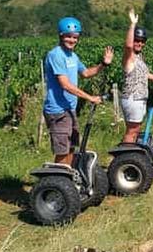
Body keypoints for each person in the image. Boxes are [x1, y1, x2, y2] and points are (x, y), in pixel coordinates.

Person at [43, 17, 113, 167]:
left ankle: (66, 179)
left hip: (69, 109)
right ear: (61, 36)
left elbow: (86, 73)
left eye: (75, 37)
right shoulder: (56, 55)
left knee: (71, 148)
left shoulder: (72, 56)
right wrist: (90, 98)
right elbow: (65, 85)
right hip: (58, 110)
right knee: (62, 151)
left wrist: (103, 64)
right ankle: (58, 183)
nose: (72, 40)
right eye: (68, 36)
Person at [121, 9, 153, 144]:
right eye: (137, 40)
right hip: (132, 98)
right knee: (132, 131)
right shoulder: (128, 57)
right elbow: (128, 46)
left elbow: (144, 74)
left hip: (140, 99)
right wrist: (132, 25)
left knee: (135, 130)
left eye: (142, 41)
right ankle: (126, 159)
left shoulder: (138, 57)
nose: (139, 44)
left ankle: (130, 157)